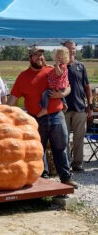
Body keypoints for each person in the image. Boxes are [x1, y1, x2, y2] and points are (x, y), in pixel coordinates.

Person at [7, 46, 78, 189]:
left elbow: (67, 86)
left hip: (57, 116)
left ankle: (66, 178)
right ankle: (41, 180)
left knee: (61, 147)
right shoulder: (23, 77)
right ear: (30, 58)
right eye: (36, 55)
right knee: (37, 151)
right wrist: (4, 113)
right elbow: (12, 100)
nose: (39, 57)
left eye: (41, 55)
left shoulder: (52, 70)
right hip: (35, 119)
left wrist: (63, 94)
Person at [63, 40, 93, 172]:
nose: (71, 51)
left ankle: (77, 163)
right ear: (64, 50)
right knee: (63, 138)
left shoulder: (81, 66)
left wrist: (90, 106)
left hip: (80, 107)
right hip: (63, 109)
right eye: (69, 49)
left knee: (79, 138)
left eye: (73, 49)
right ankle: (64, 164)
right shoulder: (58, 67)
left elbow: (87, 87)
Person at [37, 47, 70, 117]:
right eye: (58, 57)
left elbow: (58, 73)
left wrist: (57, 65)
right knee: (60, 94)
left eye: (61, 57)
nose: (59, 59)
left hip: (58, 86)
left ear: (65, 58)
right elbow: (55, 69)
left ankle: (44, 109)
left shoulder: (62, 66)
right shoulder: (61, 66)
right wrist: (52, 66)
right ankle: (65, 104)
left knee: (45, 94)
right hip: (61, 87)